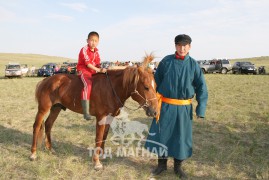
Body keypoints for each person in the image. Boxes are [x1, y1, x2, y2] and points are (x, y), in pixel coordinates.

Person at [144, 34, 208, 178]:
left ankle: (178, 167)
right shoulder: (166, 62)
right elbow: (155, 83)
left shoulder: (193, 65)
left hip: (183, 108)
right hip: (165, 106)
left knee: (181, 137)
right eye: (179, 45)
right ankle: (161, 165)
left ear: (189, 47)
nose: (182, 48)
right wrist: (151, 103)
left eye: (185, 45)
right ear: (175, 46)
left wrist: (201, 108)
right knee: (163, 135)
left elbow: (201, 87)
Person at [76, 31, 107, 120]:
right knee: (88, 86)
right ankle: (86, 112)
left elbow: (97, 63)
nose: (93, 43)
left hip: (93, 72)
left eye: (96, 41)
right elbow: (87, 64)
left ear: (98, 42)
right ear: (87, 40)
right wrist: (98, 70)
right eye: (92, 40)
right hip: (83, 70)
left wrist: (101, 69)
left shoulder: (96, 52)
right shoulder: (84, 49)